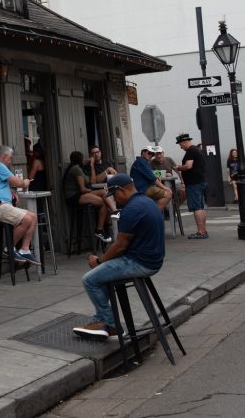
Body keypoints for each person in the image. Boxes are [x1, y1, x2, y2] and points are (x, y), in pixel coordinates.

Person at [72, 174, 166, 340]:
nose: (114, 200)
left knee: (90, 279)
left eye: (114, 195)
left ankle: (110, 323)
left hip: (139, 262)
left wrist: (99, 260)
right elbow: (122, 244)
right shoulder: (147, 202)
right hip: (152, 259)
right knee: (103, 274)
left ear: (121, 190)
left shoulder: (131, 209)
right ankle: (101, 322)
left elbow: (121, 246)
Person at [0, 144, 40, 265]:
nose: (10, 161)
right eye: (10, 158)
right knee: (26, 219)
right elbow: (18, 182)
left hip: (0, 205)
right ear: (5, 156)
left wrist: (10, 192)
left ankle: (24, 250)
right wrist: (25, 182)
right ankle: (9, 248)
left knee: (33, 217)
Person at [63, 150, 113, 244]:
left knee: (103, 192)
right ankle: (100, 229)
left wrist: (91, 166)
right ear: (80, 159)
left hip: (80, 194)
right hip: (74, 197)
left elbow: (92, 182)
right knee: (102, 202)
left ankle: (113, 212)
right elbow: (82, 189)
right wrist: (92, 191)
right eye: (83, 158)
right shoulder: (76, 169)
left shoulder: (79, 168)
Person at [174, 133, 208, 239]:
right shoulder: (197, 150)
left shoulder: (191, 151)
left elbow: (188, 166)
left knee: (196, 207)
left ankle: (201, 232)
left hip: (194, 183)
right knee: (200, 207)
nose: (180, 147)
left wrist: (179, 168)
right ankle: (204, 231)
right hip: (200, 181)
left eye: (180, 145)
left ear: (184, 142)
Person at [129, 145, 172, 212]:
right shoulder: (141, 162)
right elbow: (152, 179)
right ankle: (155, 214)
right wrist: (164, 187)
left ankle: (154, 212)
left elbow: (150, 174)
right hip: (143, 189)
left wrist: (156, 177)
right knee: (168, 194)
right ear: (143, 152)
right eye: (149, 153)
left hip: (143, 187)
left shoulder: (143, 161)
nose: (151, 155)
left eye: (152, 154)